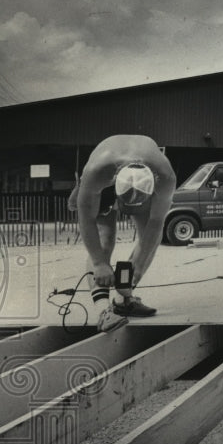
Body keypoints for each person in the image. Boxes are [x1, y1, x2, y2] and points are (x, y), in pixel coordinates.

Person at [69, 135, 177, 331]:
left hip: (142, 179)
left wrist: (136, 271)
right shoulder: (97, 173)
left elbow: (155, 223)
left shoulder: (166, 178)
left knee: (151, 239)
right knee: (104, 239)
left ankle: (124, 300)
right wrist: (100, 264)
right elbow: (87, 220)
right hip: (104, 180)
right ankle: (103, 311)